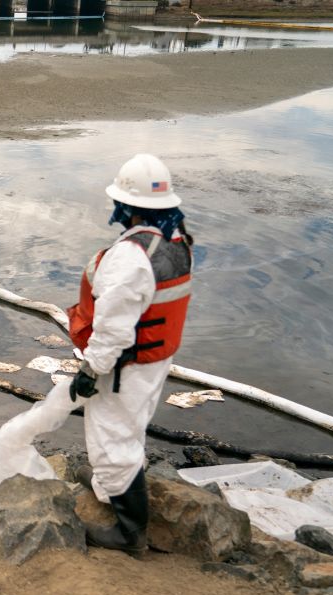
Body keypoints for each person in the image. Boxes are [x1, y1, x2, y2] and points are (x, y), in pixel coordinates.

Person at [67, 153, 193, 558]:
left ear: (127, 206)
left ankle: (130, 533)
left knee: (111, 435)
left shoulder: (129, 256)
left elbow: (114, 328)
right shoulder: (176, 242)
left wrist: (91, 369)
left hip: (127, 363)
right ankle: (108, 487)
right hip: (154, 360)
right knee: (129, 426)